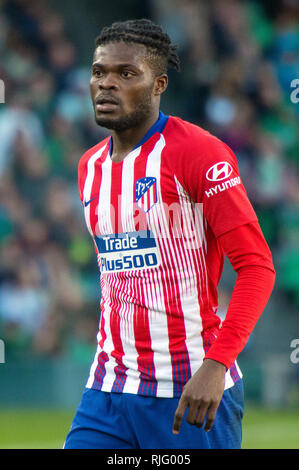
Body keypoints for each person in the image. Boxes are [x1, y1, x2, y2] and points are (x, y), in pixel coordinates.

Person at [64, 19, 275, 449]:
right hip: (107, 390)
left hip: (191, 388)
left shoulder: (200, 153)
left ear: (159, 84)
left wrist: (216, 366)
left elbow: (256, 266)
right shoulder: (90, 167)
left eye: (126, 74)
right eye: (99, 72)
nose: (107, 84)